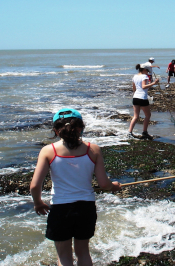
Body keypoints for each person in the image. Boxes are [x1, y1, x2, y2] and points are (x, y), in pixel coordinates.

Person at [30, 108, 121, 266]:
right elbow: (104, 184)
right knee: (83, 253)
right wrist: (114, 186)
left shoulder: (48, 151)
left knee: (64, 257)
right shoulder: (93, 150)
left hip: (60, 209)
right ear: (81, 128)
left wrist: (38, 203)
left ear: (56, 131)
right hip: (86, 208)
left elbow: (35, 185)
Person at [129, 64, 160, 139]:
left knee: (136, 116)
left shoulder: (135, 76)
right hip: (142, 98)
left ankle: (129, 132)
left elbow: (134, 88)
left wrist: (136, 94)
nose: (148, 73)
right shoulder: (144, 76)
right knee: (148, 115)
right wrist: (154, 83)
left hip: (135, 97)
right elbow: (143, 87)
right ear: (144, 70)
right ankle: (144, 132)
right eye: (147, 71)